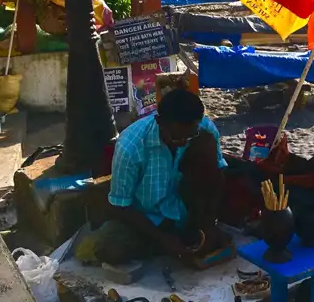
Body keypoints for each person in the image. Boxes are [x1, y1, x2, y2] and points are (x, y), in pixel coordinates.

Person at [79, 88, 229, 266]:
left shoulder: (204, 129)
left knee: (205, 143)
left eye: (190, 135)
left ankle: (188, 237)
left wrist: (209, 223)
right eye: (176, 137)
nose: (183, 142)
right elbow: (120, 205)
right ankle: (169, 244)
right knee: (109, 248)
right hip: (148, 217)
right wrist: (162, 239)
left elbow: (217, 178)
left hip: (186, 210)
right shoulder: (130, 146)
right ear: (159, 122)